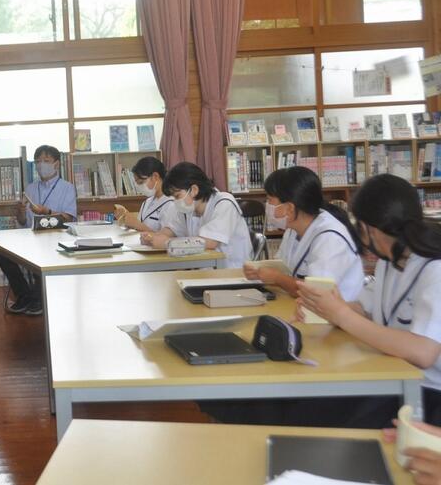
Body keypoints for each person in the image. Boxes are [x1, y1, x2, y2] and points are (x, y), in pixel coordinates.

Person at [298, 174, 441, 425]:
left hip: (428, 393)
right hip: (396, 375)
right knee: (309, 405)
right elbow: (364, 308)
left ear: (367, 229)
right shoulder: (390, 260)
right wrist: (326, 308)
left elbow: (423, 352)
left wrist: (341, 314)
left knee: (324, 416)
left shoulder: (434, 269)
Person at [243, 166, 364, 300]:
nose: (267, 206)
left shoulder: (330, 238)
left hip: (334, 311)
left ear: (289, 208)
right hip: (301, 305)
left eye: (269, 200)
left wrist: (276, 278)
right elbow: (282, 267)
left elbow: (316, 292)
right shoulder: (293, 229)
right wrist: (260, 272)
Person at [0, 145, 76, 316]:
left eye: (46, 161)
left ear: (56, 164)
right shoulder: (31, 188)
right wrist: (20, 212)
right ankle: (24, 296)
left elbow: (69, 218)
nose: (41, 165)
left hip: (56, 239)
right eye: (38, 161)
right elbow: (23, 222)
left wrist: (46, 212)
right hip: (30, 238)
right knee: (2, 255)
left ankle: (39, 299)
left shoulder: (67, 188)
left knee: (42, 254)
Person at [140, 162, 252, 268]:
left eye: (177, 196)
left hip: (232, 272)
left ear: (194, 190)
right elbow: (171, 230)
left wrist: (167, 243)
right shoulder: (189, 208)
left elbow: (209, 242)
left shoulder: (224, 203)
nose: (175, 201)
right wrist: (152, 238)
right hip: (205, 269)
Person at [113, 156, 173, 232]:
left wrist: (136, 224)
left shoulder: (171, 203)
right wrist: (126, 219)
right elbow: (139, 228)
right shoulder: (147, 202)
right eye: (137, 183)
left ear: (155, 177)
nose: (139, 187)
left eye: (141, 182)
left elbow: (166, 237)